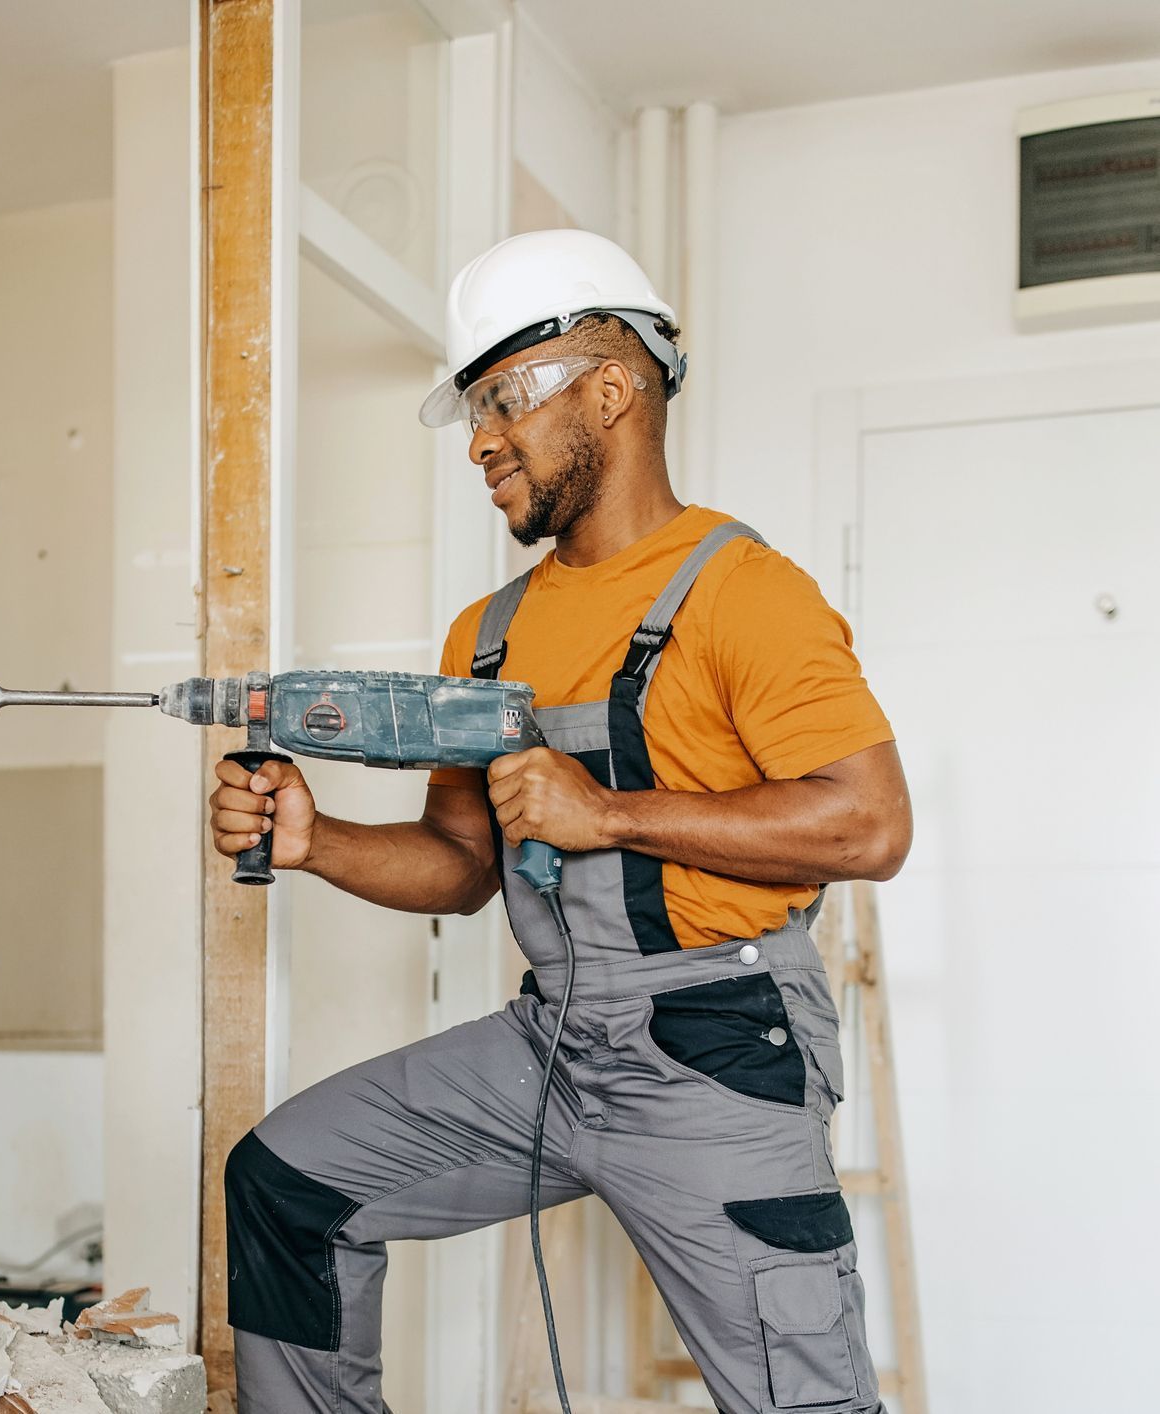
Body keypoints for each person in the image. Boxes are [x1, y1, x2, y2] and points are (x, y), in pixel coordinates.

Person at [210, 229, 911, 1414]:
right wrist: (313, 841)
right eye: (472, 407)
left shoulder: (747, 593)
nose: (481, 439)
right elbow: (460, 863)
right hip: (552, 1045)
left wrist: (610, 812)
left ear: (611, 385)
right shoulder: (483, 635)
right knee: (285, 1181)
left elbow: (868, 825)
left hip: (719, 1049)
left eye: (503, 397)